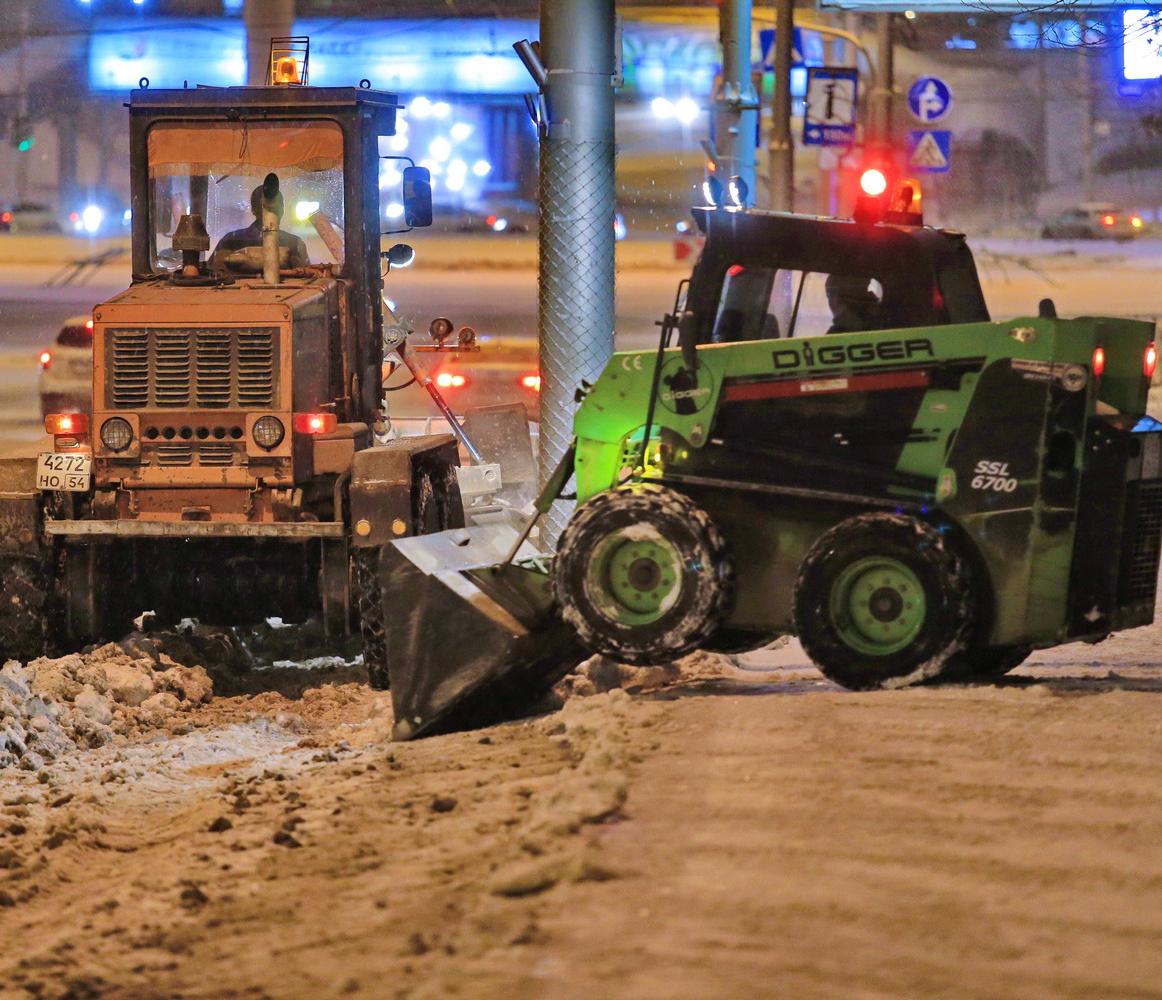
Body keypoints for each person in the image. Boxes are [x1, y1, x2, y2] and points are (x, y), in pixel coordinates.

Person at [211, 184, 310, 270]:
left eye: (277, 207)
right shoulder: (231, 241)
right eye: (267, 207)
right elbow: (212, 273)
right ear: (254, 210)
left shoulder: (295, 244)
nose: (273, 213)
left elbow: (307, 276)